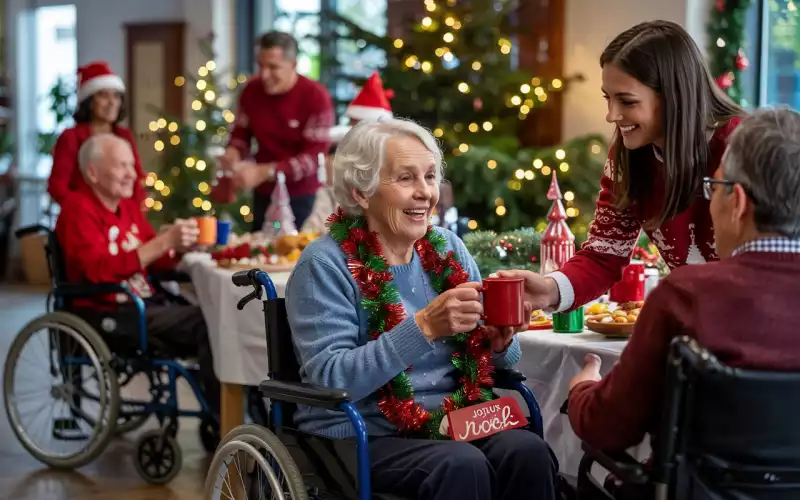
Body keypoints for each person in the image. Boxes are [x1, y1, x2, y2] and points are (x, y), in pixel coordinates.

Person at [285, 119, 558, 500]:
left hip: (455, 422)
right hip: (361, 433)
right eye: (406, 178)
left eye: (430, 177)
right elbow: (332, 379)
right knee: (462, 465)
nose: (425, 193)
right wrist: (424, 326)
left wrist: (497, 341)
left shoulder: (447, 248)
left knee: (527, 453)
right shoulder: (324, 265)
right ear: (361, 193)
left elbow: (498, 361)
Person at [567, 107, 800, 494]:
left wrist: (581, 389)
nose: (709, 203)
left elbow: (608, 427)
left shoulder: (687, 295)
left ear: (737, 202)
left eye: (715, 188)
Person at [499, 21, 746, 311]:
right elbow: (604, 254)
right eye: (608, 98)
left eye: (626, 102)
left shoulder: (744, 147)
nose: (611, 115)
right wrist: (550, 290)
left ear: (674, 98)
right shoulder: (629, 154)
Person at [55, 133, 220, 416]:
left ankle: (225, 412)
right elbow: (96, 270)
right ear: (93, 172)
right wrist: (163, 241)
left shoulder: (127, 209)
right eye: (122, 166)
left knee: (217, 314)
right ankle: (224, 417)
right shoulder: (76, 210)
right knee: (211, 323)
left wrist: (180, 248)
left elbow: (153, 261)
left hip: (142, 305)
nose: (133, 174)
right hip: (107, 311)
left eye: (132, 165)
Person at [219, 31, 334, 231]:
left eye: (273, 67)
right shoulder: (251, 91)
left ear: (293, 65)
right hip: (263, 193)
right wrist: (234, 151)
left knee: (298, 256)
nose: (264, 75)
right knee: (261, 254)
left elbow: (312, 158)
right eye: (261, 65)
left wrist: (264, 171)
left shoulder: (316, 97)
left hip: (301, 196)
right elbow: (241, 133)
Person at [301, 72, 394, 234]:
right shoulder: (338, 169)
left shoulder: (393, 170)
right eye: (352, 126)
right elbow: (316, 224)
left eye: (358, 127)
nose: (353, 134)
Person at [48, 61, 146, 206]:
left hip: (121, 219)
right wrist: (84, 212)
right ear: (89, 101)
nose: (112, 102)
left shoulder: (125, 136)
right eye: (104, 96)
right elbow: (57, 188)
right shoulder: (71, 137)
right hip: (83, 219)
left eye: (116, 96)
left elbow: (136, 182)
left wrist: (130, 215)